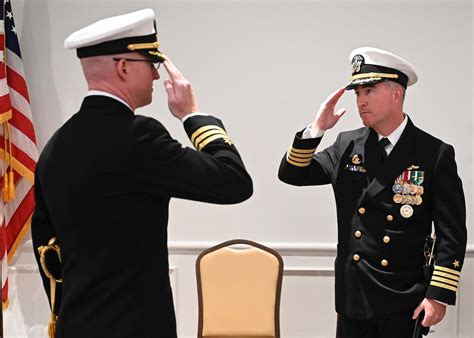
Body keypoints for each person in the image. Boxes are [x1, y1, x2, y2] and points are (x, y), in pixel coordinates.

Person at [31, 8, 253, 338]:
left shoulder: (55, 148)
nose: (154, 75)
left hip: (75, 326)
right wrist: (193, 115)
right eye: (152, 63)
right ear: (123, 67)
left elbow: (48, 252)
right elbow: (233, 182)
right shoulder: (138, 137)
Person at [278, 47, 466, 337]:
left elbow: (451, 232)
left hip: (404, 297)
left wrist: (438, 294)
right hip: (353, 295)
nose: (360, 101)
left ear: (396, 94)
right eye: (357, 94)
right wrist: (317, 128)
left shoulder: (433, 153)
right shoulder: (347, 145)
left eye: (369, 91)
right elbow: (292, 174)